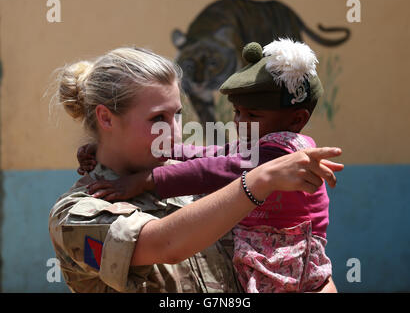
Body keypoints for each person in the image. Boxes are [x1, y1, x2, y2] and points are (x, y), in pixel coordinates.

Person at [49, 46, 343, 293]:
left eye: (177, 114)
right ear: (106, 118)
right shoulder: (78, 213)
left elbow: (304, 269)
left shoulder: (201, 177)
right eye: (157, 118)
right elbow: (166, 243)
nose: (175, 133)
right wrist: (258, 179)